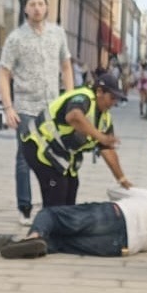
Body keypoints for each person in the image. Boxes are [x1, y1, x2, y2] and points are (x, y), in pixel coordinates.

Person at [0, 0, 74, 225]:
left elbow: (66, 66)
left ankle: (50, 204)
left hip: (52, 107)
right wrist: (8, 107)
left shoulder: (57, 34)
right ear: (25, 9)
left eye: (41, 3)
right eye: (33, 4)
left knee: (53, 156)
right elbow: (4, 72)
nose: (37, 8)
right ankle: (24, 206)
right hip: (25, 105)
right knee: (25, 157)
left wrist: (71, 98)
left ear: (47, 7)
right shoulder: (16, 38)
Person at [19, 74, 131, 207]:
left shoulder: (105, 119)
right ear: (99, 91)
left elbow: (108, 150)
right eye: (112, 97)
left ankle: (60, 224)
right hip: (38, 147)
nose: (113, 103)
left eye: (116, 99)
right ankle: (44, 226)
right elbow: (73, 116)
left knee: (71, 188)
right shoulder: (84, 97)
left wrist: (122, 179)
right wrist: (99, 136)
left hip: (58, 153)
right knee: (57, 194)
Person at [0, 187, 147, 259]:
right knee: (61, 243)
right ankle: (29, 247)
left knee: (52, 215)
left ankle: (32, 237)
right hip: (117, 247)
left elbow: (114, 191)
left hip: (115, 215)